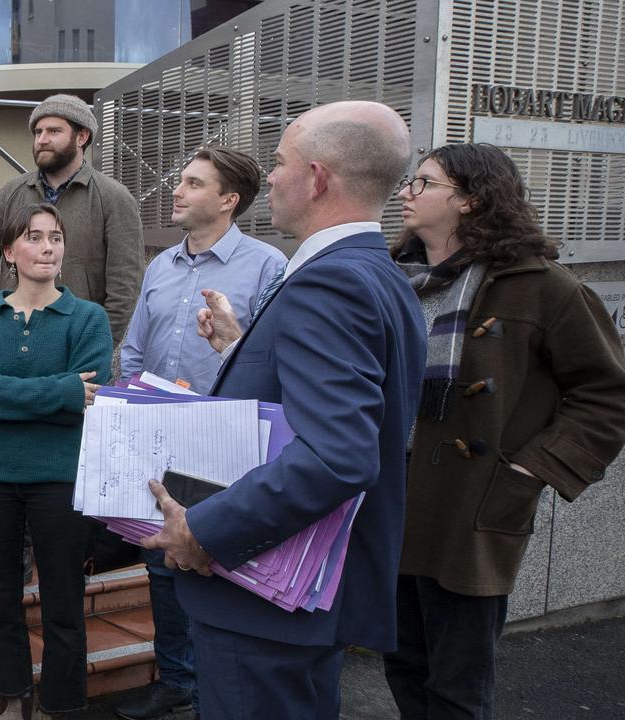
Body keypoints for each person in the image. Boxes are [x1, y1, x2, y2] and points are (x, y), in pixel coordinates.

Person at [142, 101, 428, 719]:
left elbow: (337, 454)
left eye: (278, 162)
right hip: (298, 596)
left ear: (318, 178)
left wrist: (204, 530)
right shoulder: (376, 273)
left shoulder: (331, 281)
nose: (267, 177)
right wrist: (244, 347)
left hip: (266, 599)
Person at [382, 143, 625, 719]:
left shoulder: (544, 287)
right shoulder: (395, 280)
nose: (406, 195)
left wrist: (528, 470)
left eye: (423, 183)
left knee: (457, 683)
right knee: (402, 661)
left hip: (473, 499)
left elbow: (607, 393)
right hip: (390, 491)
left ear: (469, 199)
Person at [114, 146, 285, 720]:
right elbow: (135, 344)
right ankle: (177, 681)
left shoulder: (267, 266)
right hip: (159, 436)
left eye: (192, 182)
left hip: (223, 442)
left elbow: (267, 357)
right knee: (162, 562)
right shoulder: (161, 265)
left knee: (217, 562)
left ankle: (220, 688)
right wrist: (137, 400)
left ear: (228, 200)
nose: (177, 190)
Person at [0, 203, 112, 718]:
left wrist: (20, 397)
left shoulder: (88, 318)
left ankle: (62, 705)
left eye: (55, 237)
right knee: (1, 594)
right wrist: (61, 391)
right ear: (9, 252)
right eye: (33, 237)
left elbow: (92, 392)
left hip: (60, 476)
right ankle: (15, 696)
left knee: (63, 598)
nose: (48, 247)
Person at [0, 93, 144, 347]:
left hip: (74, 342)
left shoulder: (113, 198)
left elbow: (124, 285)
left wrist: (99, 344)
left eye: (53, 131)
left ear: (82, 137)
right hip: (12, 334)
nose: (42, 140)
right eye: (38, 132)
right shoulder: (13, 191)